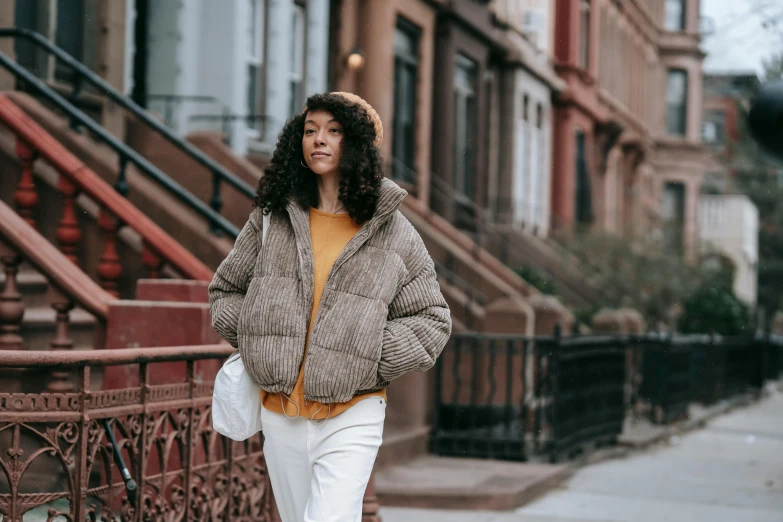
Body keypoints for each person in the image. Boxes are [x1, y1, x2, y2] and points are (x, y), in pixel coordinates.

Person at [208, 92, 452, 522]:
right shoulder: (271, 219)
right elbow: (225, 291)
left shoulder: (392, 231)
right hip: (280, 412)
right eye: (310, 131)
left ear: (354, 145)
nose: (319, 140)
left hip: (352, 412)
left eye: (334, 131)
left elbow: (432, 320)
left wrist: (370, 356)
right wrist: (260, 338)